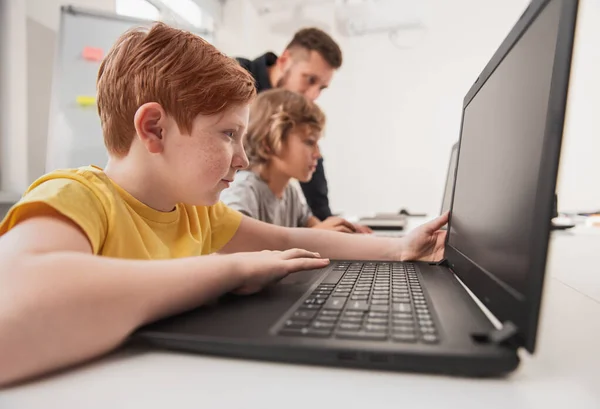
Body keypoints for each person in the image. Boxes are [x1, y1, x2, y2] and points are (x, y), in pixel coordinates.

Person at [0, 22, 448, 387]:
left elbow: (291, 237)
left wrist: (402, 248)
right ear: (154, 129)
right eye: (228, 134)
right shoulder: (75, 196)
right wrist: (227, 270)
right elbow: (14, 308)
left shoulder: (197, 213)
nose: (244, 157)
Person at [235, 27, 367, 230]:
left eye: (321, 87)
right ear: (285, 60)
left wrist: (332, 227)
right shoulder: (234, 79)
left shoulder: (290, 195)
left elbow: (314, 186)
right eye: (310, 80)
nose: (314, 95)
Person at [221, 88, 356, 232]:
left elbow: (318, 229)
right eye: (310, 142)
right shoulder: (243, 190)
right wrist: (314, 234)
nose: (318, 154)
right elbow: (234, 243)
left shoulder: (290, 193)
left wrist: (347, 232)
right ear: (269, 143)